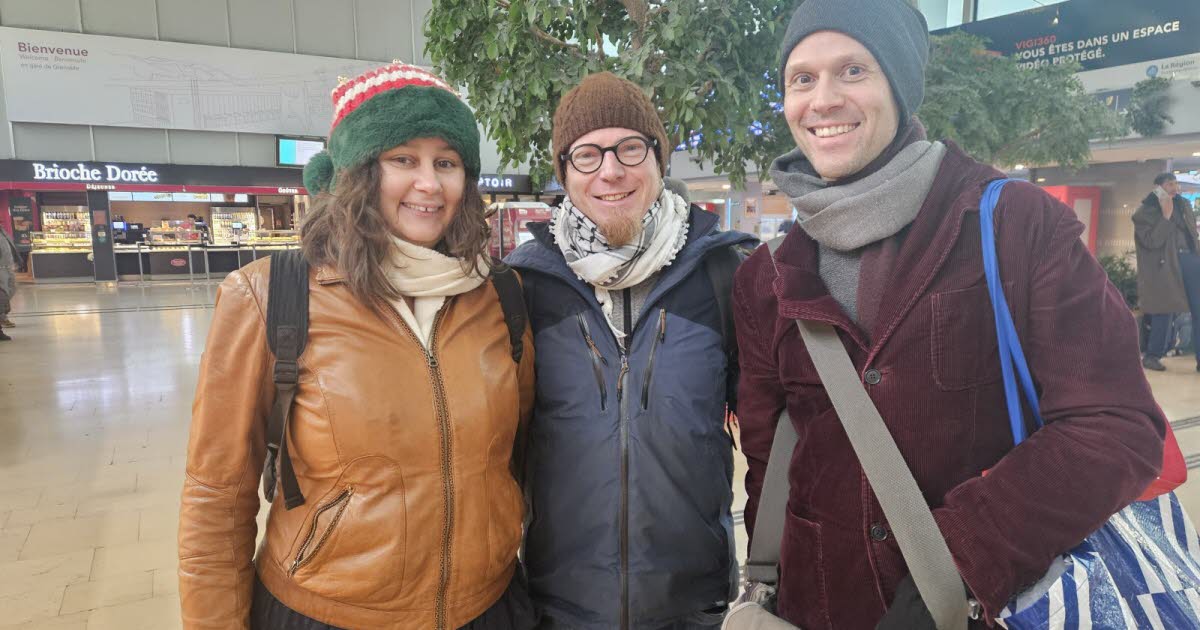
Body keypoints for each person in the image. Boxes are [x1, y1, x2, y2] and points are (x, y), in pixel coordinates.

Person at [732, 1, 1167, 628]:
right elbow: (771, 464)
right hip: (820, 606)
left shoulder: (1014, 225)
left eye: (852, 70)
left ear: (901, 85)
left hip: (987, 605)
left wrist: (962, 562)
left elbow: (1116, 424)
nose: (821, 100)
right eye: (801, 78)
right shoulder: (766, 276)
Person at [178, 62, 537, 630]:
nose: (429, 183)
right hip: (329, 612)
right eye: (402, 159)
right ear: (358, 173)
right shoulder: (270, 295)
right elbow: (217, 498)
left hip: (487, 609)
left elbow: (518, 460)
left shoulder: (500, 296)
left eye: (446, 162)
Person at [505, 72, 757, 629]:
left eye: (630, 148)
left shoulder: (724, 274)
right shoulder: (523, 286)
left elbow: (771, 440)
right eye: (587, 155)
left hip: (693, 607)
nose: (611, 170)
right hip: (558, 605)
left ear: (659, 159)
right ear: (565, 171)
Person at [1134, 172, 1200, 372]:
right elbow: (1151, 241)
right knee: (1164, 309)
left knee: (1197, 308)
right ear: (1158, 188)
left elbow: (1192, 234)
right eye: (1169, 184)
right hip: (1164, 264)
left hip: (1190, 259)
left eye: (1175, 183)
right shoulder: (1145, 211)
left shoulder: (1184, 205)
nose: (1174, 187)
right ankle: (1153, 356)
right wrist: (1165, 216)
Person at [0, 226, 18, 338]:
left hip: (7, 267)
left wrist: (16, 261)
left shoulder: (3, 231)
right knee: (2, 295)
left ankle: (3, 315)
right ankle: (2, 318)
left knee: (10, 290)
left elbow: (10, 247)